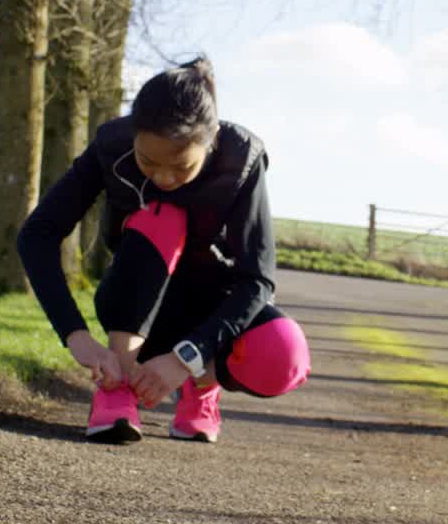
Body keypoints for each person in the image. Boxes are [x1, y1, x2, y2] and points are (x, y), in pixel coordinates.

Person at [16, 57, 310, 444]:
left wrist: (186, 359)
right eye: (148, 162)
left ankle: (201, 386)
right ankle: (116, 386)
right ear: (134, 135)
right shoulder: (111, 146)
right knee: (162, 217)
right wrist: (75, 336)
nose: (164, 177)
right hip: (134, 302)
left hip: (208, 317)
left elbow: (257, 280)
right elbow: (37, 234)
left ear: (210, 143)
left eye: (181, 167)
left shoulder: (241, 160)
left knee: (283, 353)